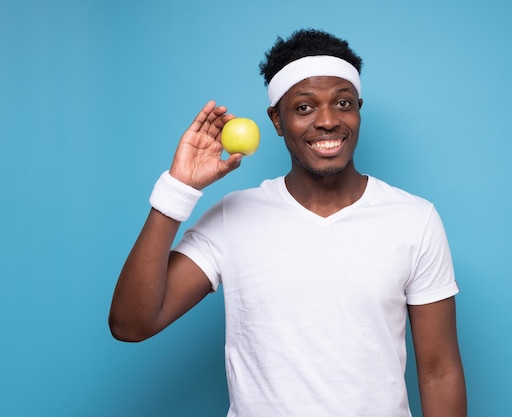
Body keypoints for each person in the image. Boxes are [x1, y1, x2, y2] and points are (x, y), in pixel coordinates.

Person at [109, 28, 467, 417]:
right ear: (276, 120)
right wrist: (177, 190)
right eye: (304, 107)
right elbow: (131, 324)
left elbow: (439, 372)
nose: (328, 121)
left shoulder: (414, 219)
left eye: (343, 103)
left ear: (358, 109)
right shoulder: (234, 217)